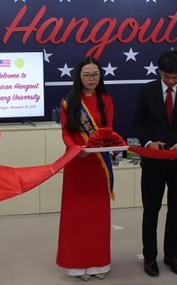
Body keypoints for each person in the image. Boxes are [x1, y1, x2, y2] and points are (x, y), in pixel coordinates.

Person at [131, 49, 177, 277]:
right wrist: (149, 141)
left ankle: (172, 256)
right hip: (154, 162)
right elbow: (138, 123)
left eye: (176, 77)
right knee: (151, 211)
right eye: (167, 76)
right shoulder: (147, 90)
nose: (171, 81)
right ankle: (150, 257)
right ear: (159, 71)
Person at [56, 57, 114, 281]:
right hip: (77, 163)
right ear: (79, 77)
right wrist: (75, 148)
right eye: (87, 75)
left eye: (95, 75)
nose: (91, 79)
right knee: (77, 214)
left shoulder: (106, 100)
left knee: (98, 214)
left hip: (98, 163)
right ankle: (77, 264)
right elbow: (65, 132)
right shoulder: (69, 101)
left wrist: (102, 146)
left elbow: (108, 130)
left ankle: (100, 262)